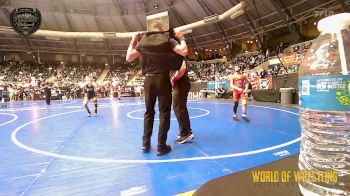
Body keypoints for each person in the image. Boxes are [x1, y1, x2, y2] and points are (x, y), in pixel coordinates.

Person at [126, 21, 188, 156]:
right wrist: (181, 37)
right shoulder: (167, 39)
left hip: (148, 80)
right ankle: (161, 146)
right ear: (162, 30)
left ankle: (145, 143)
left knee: (148, 112)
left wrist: (133, 40)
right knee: (164, 113)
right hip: (163, 79)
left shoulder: (142, 41)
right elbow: (184, 51)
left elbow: (129, 57)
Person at [170, 58, 194, 144]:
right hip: (181, 83)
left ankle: (184, 134)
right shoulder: (175, 54)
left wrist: (173, 79)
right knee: (182, 108)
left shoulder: (177, 54)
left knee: (178, 108)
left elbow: (183, 68)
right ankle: (187, 131)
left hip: (180, 83)